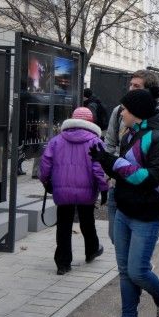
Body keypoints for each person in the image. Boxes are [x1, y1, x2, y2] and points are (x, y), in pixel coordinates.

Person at [90, 89, 159, 317]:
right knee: (125, 271)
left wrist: (111, 162)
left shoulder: (158, 140)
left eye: (124, 109)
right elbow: (125, 174)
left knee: (138, 271)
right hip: (124, 211)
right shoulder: (130, 135)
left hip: (146, 215)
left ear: (135, 112)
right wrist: (104, 161)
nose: (121, 113)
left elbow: (147, 178)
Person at [104, 70, 159, 242]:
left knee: (139, 248)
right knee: (115, 237)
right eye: (130, 84)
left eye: (136, 86)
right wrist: (110, 170)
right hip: (119, 185)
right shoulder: (119, 112)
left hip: (145, 193)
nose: (131, 89)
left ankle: (139, 267)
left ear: (148, 91)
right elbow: (110, 142)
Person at [39, 107, 107, 275]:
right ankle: (91, 250)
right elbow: (99, 169)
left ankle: (63, 263)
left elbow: (45, 164)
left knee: (63, 224)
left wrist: (46, 182)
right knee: (87, 220)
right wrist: (104, 188)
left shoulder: (57, 140)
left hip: (62, 189)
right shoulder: (95, 141)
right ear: (90, 122)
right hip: (87, 189)